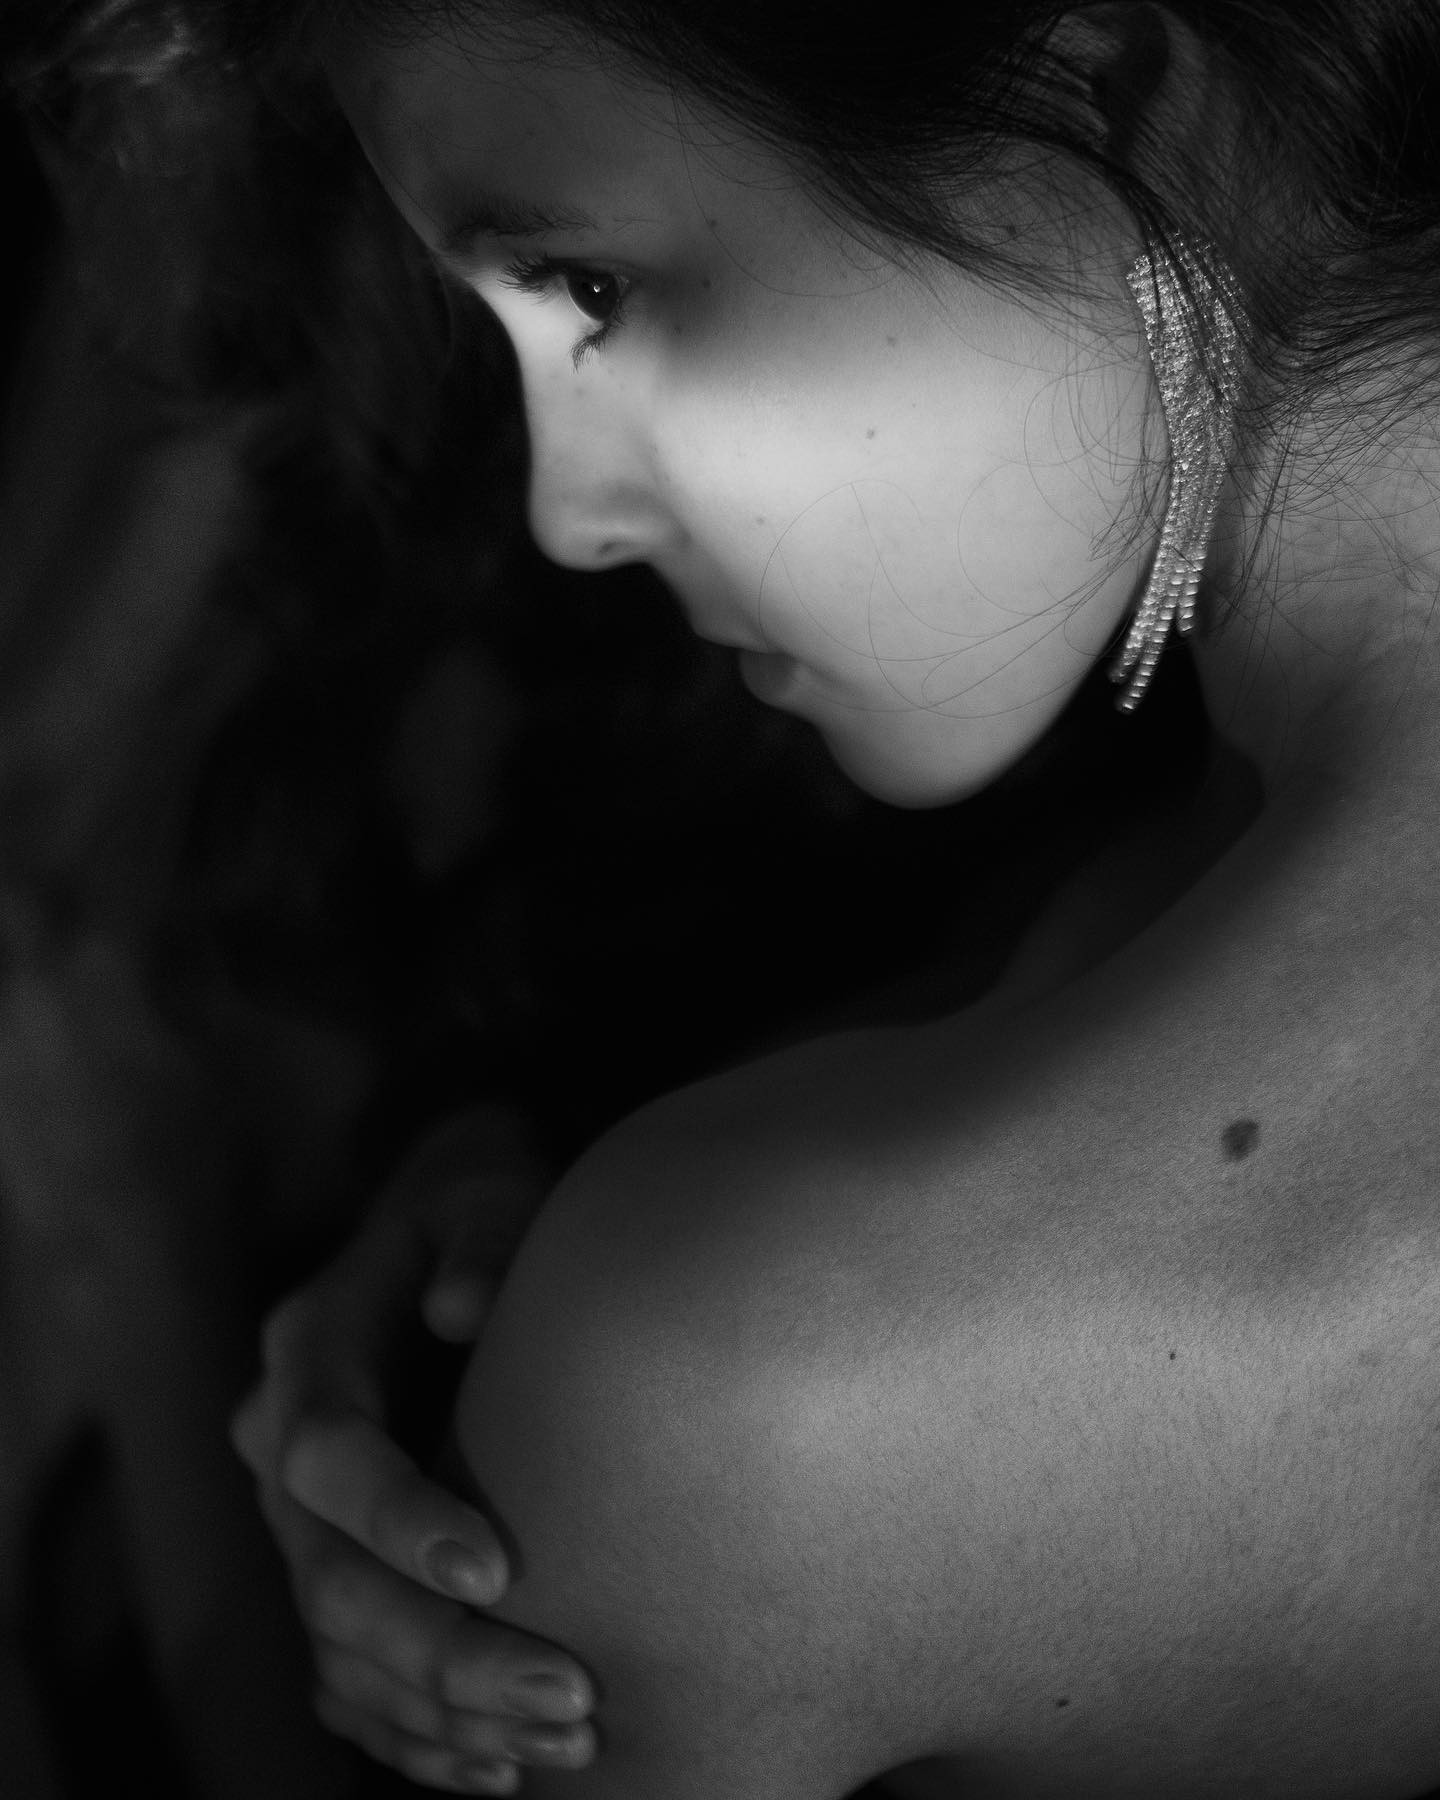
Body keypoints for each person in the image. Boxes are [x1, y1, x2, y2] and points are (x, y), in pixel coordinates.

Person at [193, 0, 1440, 1792]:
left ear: (1115, 98)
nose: (568, 515)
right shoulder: (1183, 827)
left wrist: (123, 1242)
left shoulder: (768, 1394)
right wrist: (524, 1180)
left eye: (593, 290)